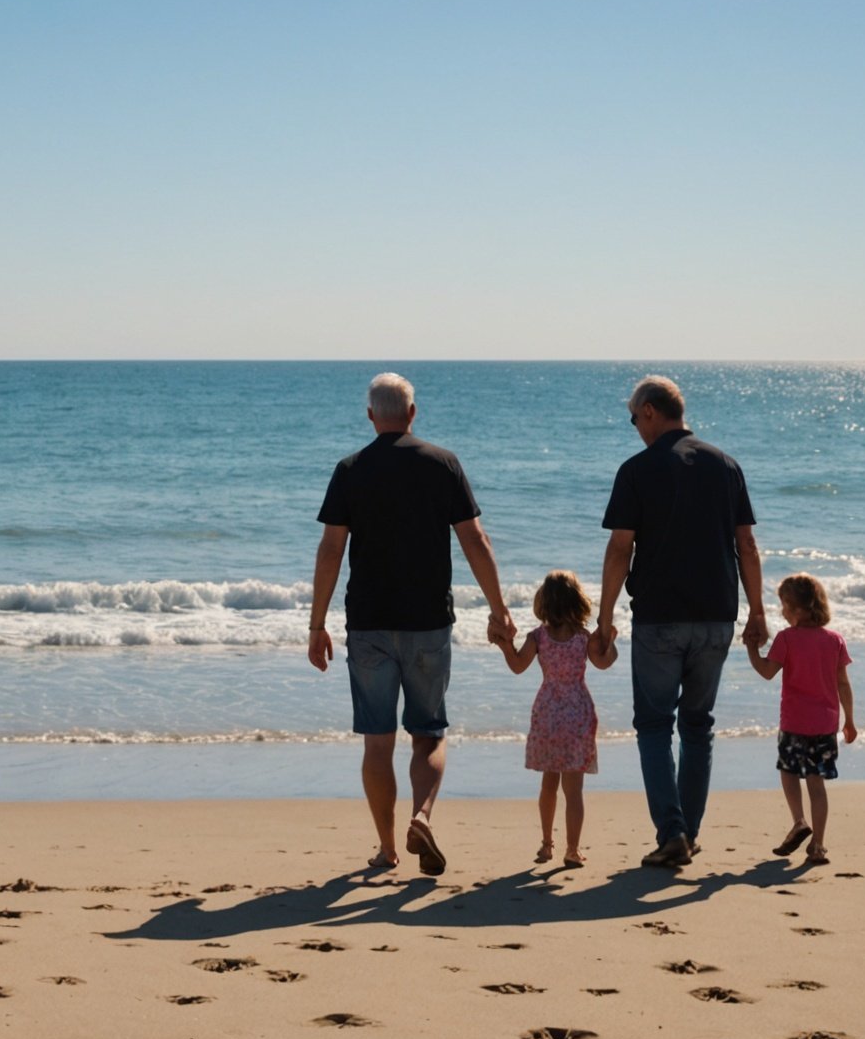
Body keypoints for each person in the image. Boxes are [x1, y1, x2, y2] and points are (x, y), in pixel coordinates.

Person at [308, 372, 516, 877]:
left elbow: (332, 549)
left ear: (370, 416)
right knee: (429, 734)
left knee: (378, 741)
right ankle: (422, 815)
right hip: (428, 623)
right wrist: (499, 608)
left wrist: (317, 624)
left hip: (369, 625)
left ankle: (387, 849)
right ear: (413, 413)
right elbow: (476, 541)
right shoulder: (443, 463)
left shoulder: (350, 469)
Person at [595, 375, 767, 870]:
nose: (634, 428)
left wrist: (604, 619)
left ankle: (672, 832)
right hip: (717, 615)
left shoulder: (636, 470)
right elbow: (747, 546)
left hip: (660, 618)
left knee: (653, 724)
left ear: (650, 411)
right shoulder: (726, 466)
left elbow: (619, 550)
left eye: (633, 418)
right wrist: (757, 611)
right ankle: (687, 833)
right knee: (698, 725)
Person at [500, 570, 616, 868]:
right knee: (573, 790)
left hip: (548, 713)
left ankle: (547, 844)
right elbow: (604, 663)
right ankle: (572, 849)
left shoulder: (538, 637)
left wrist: (504, 645)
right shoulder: (583, 638)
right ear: (577, 602)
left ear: (544, 603)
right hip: (577, 713)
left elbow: (517, 666)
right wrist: (610, 640)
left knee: (548, 784)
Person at [745, 573, 856, 867]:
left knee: (789, 771)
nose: (781, 611)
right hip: (825, 725)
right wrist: (850, 720)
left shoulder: (786, 639)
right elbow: (843, 683)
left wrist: (751, 649)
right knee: (816, 784)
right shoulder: (834, 640)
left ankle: (798, 821)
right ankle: (818, 845)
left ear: (796, 609)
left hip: (795, 723)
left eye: (784, 605)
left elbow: (767, 671)